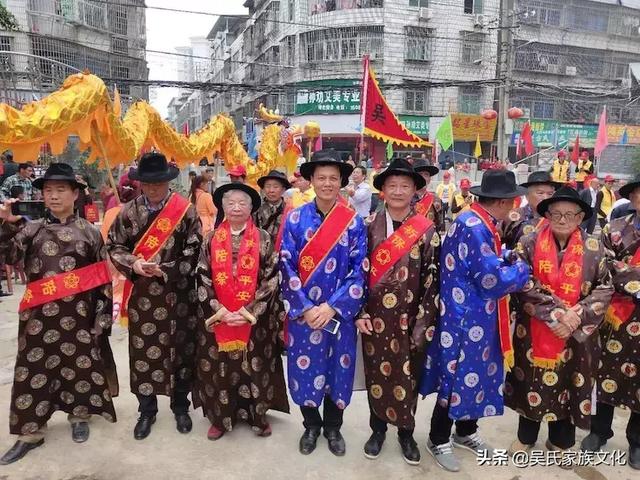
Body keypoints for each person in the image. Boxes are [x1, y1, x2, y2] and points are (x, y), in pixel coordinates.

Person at [0, 163, 117, 465]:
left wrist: (102, 318)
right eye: (48, 191)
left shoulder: (90, 233)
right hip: (37, 319)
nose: (53, 196)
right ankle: (30, 432)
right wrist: (6, 225)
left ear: (75, 194)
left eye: (60, 190)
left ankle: (79, 417)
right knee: (31, 374)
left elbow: (102, 279)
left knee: (79, 368)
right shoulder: (30, 228)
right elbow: (9, 257)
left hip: (79, 317)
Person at [419, 170, 530, 472]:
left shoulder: (477, 220)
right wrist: (521, 270)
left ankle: (465, 431)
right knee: (456, 375)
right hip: (466, 318)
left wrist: (505, 255)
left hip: (475, 315)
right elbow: (491, 279)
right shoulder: (476, 226)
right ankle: (438, 437)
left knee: (476, 373)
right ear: (504, 202)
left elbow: (485, 259)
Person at [505, 186, 611, 463]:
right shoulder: (528, 242)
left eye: (569, 214)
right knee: (531, 381)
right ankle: (526, 437)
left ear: (579, 217)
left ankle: (560, 440)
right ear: (547, 215)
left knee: (569, 383)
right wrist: (556, 315)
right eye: (556, 214)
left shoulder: (594, 246)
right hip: (535, 329)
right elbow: (522, 282)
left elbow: (604, 288)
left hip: (576, 333)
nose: (562, 220)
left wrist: (577, 314)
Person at [107, 152, 202, 440]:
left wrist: (167, 269)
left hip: (179, 295)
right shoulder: (128, 212)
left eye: (158, 182)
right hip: (143, 297)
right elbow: (113, 246)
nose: (153, 188)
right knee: (144, 355)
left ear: (168, 181)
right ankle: (147, 411)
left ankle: (180, 407)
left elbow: (196, 249)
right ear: (140, 184)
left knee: (181, 352)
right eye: (147, 183)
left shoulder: (185, 210)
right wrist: (134, 264)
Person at [280, 149, 367, 457]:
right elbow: (286, 264)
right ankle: (311, 426)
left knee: (337, 372)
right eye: (321, 178)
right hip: (303, 315)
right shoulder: (294, 219)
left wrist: (331, 307)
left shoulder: (354, 223)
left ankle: (333, 427)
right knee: (305, 371)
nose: (327, 183)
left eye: (333, 178)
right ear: (311, 181)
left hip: (338, 315)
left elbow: (359, 271)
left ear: (342, 182)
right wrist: (305, 306)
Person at [357, 158, 439, 465]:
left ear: (415, 191)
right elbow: (358, 275)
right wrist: (361, 312)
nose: (398, 191)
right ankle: (377, 430)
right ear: (383, 191)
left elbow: (433, 280)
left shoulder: (427, 231)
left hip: (412, 320)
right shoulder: (368, 228)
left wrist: (423, 323)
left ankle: (406, 433)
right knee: (377, 372)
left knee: (409, 378)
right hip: (375, 319)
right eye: (392, 185)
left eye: (405, 185)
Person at [193, 183, 289, 440]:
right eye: (230, 203)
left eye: (242, 203)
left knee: (255, 367)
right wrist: (219, 310)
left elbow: (271, 278)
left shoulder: (264, 239)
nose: (236, 208)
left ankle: (258, 417)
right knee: (220, 369)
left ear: (251, 208)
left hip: (253, 319)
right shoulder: (211, 239)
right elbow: (202, 276)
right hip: (220, 317)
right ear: (222, 207)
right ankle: (221, 418)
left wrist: (250, 311)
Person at [581, 174, 640, 470]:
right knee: (606, 372)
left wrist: (630, 271)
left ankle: (637, 441)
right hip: (617, 314)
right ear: (634, 197)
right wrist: (636, 281)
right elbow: (604, 264)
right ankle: (599, 431)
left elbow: (622, 267)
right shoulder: (615, 229)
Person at [502, 171, 559, 250]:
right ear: (527, 195)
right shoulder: (513, 216)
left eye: (550, 194)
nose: (545, 198)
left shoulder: (558, 218)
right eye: (540, 193)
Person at [412, 158, 441, 229]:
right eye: (420, 174)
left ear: (429, 179)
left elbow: (438, 224)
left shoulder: (435, 199)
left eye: (426, 174)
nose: (423, 177)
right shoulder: (405, 198)